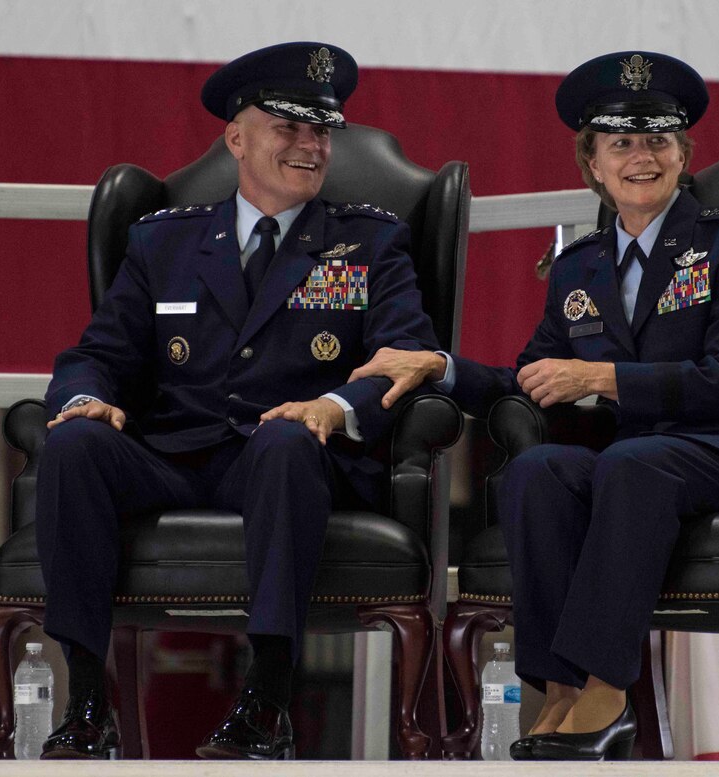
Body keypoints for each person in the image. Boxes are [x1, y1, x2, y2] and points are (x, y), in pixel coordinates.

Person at [348, 51, 719, 761]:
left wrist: (601, 375)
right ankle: (557, 684)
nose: (641, 156)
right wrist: (439, 365)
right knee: (540, 471)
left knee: (628, 461)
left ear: (683, 154)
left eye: (658, 140)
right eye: (620, 143)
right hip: (647, 460)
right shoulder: (580, 265)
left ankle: (606, 684)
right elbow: (533, 377)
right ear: (592, 164)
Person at [34, 41, 439, 760]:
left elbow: (401, 359)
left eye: (320, 131)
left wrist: (334, 406)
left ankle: (268, 698)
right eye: (289, 128)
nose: (311, 146)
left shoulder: (367, 244)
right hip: (175, 454)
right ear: (237, 138)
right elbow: (95, 355)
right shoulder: (166, 243)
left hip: (289, 459)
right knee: (72, 442)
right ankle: (89, 700)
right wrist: (89, 398)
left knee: (286, 439)